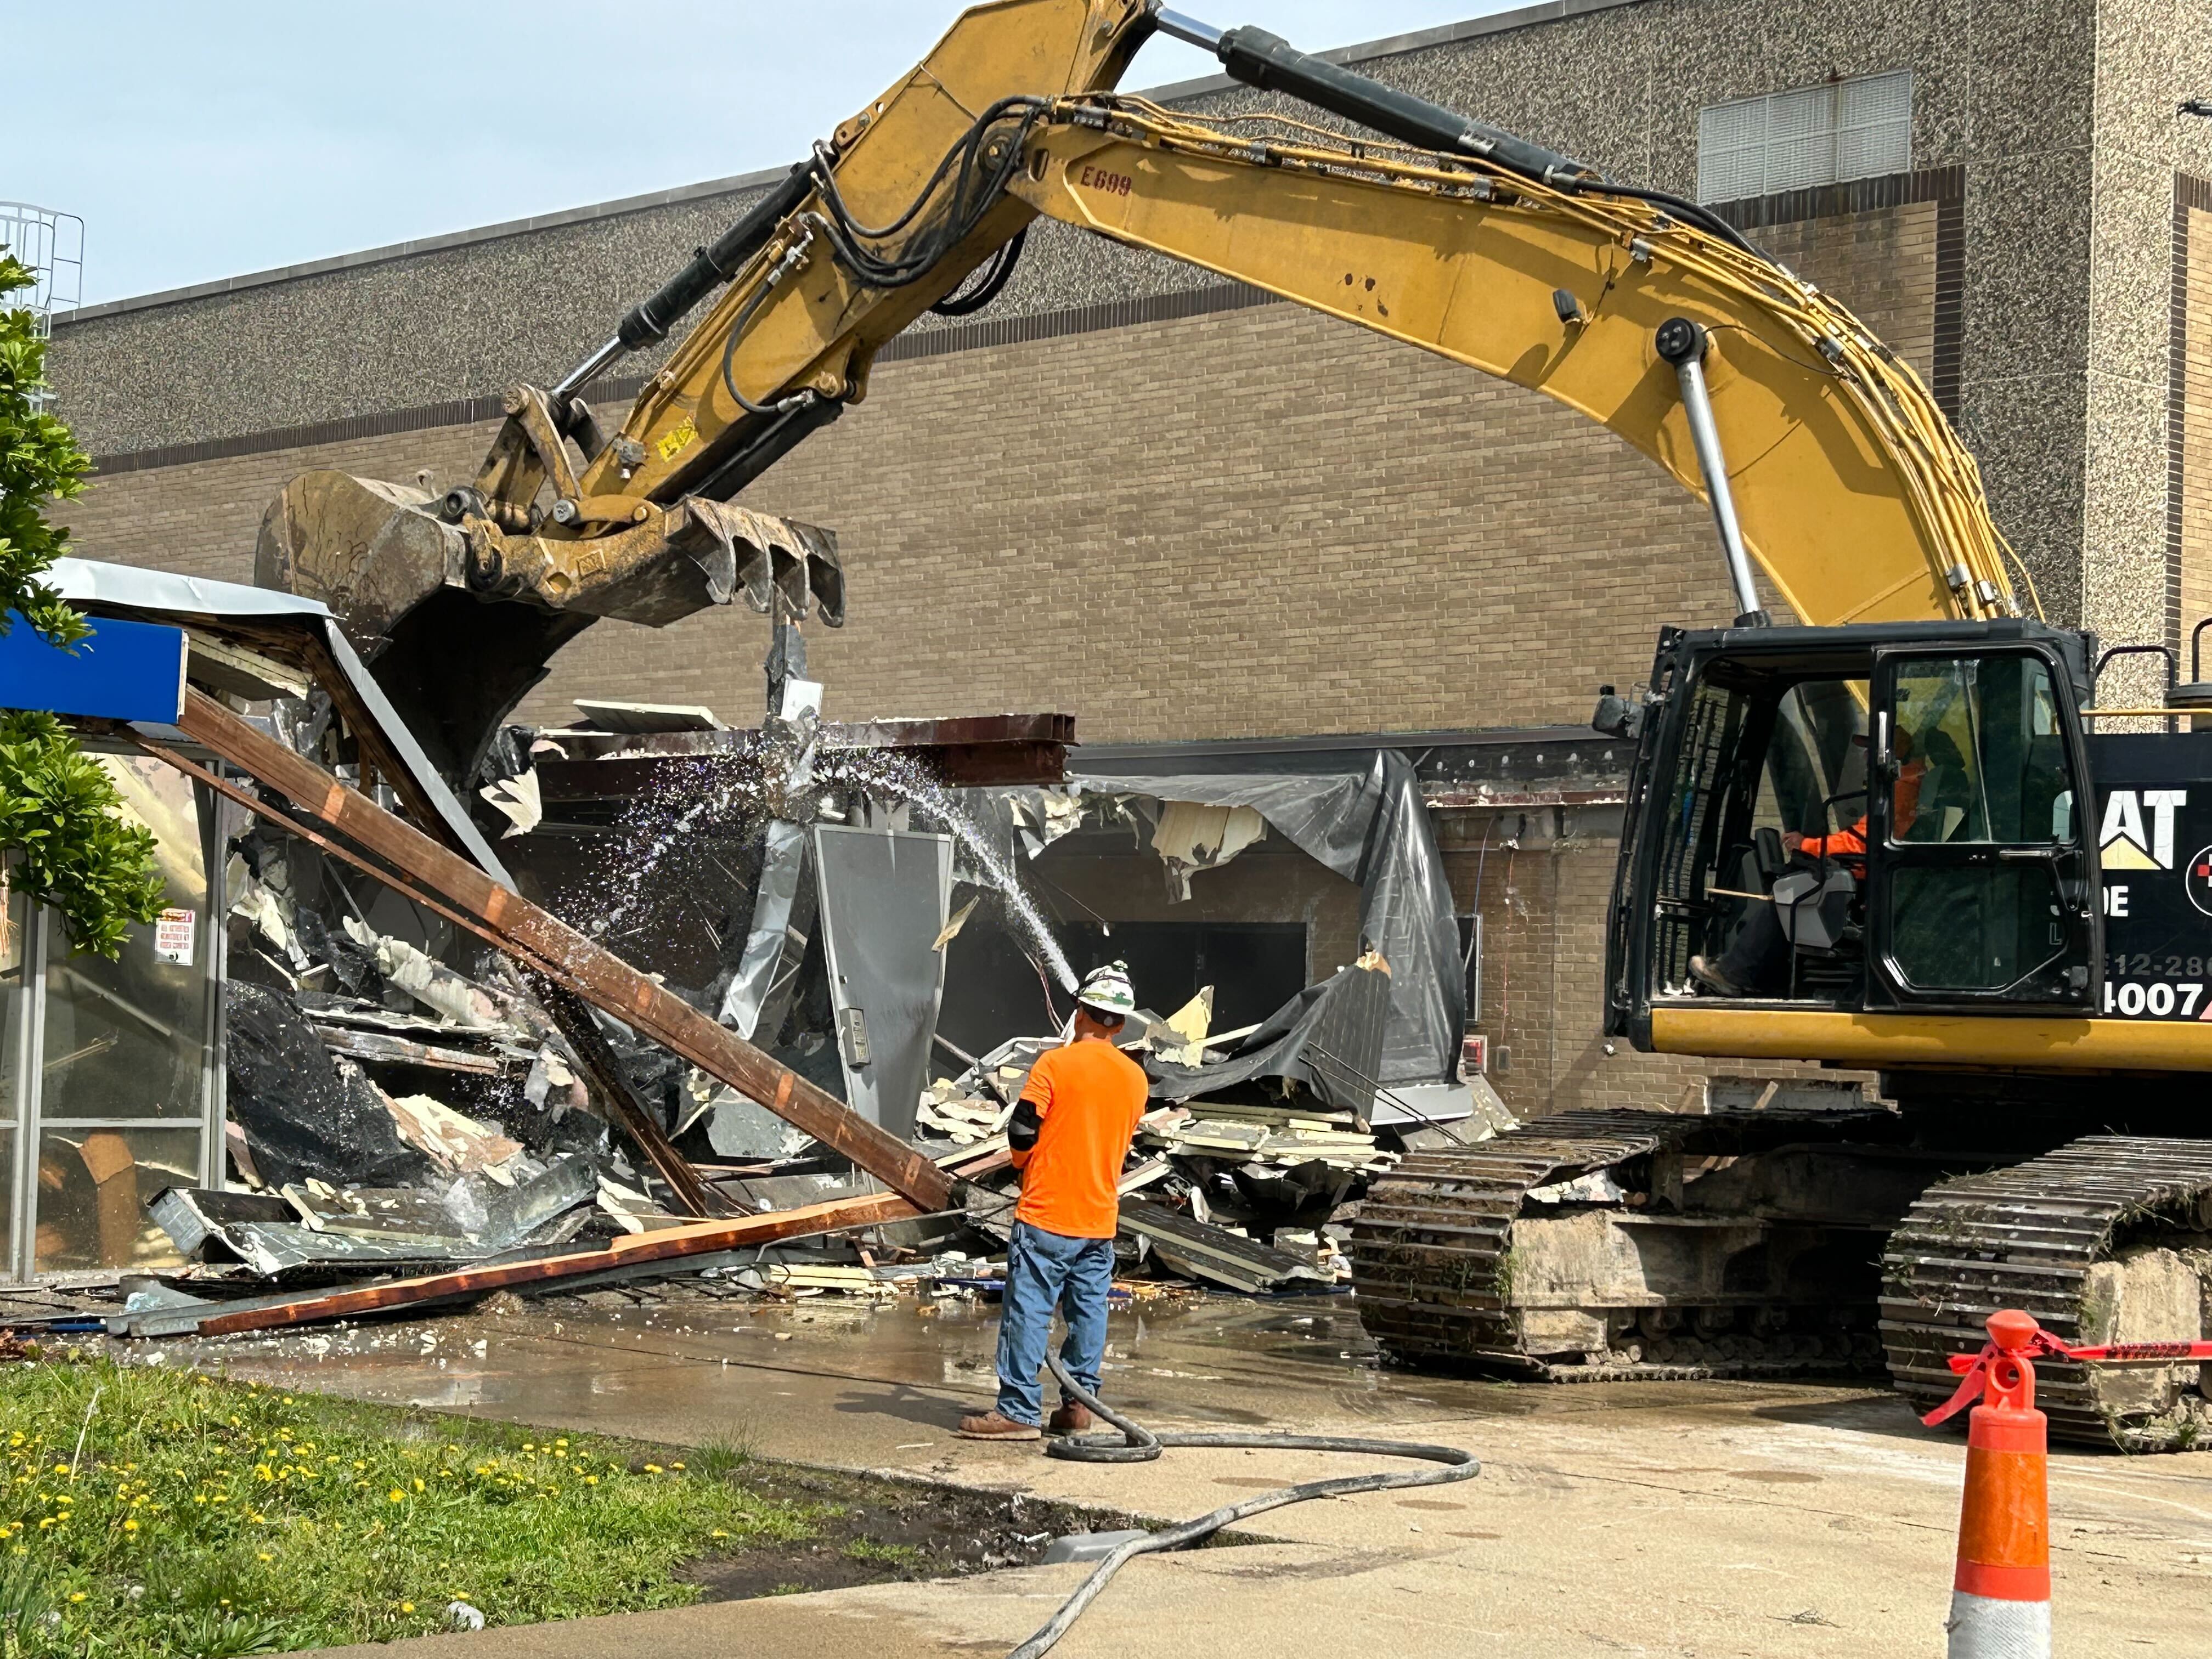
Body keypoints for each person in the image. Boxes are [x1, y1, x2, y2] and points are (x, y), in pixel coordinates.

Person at [957, 960, 1149, 1442]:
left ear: (1081, 1012)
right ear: (1121, 1024)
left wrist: (1023, 1163)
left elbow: (1022, 1127)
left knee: (1028, 1311)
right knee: (1089, 1313)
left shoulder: (1054, 1065)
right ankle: (1080, 1406)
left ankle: (1018, 1412)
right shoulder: (1135, 1079)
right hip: (1100, 1218)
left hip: (1047, 1213)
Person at [1689, 729, 1925, 997]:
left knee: (1789, 898)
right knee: (1794, 891)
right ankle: (1743, 970)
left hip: (1870, 882)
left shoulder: (1903, 789)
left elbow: (1863, 843)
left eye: (1873, 749)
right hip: (1873, 876)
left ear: (1894, 754)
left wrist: (1809, 846)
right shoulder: (1903, 784)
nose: (1867, 755)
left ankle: (1735, 973)